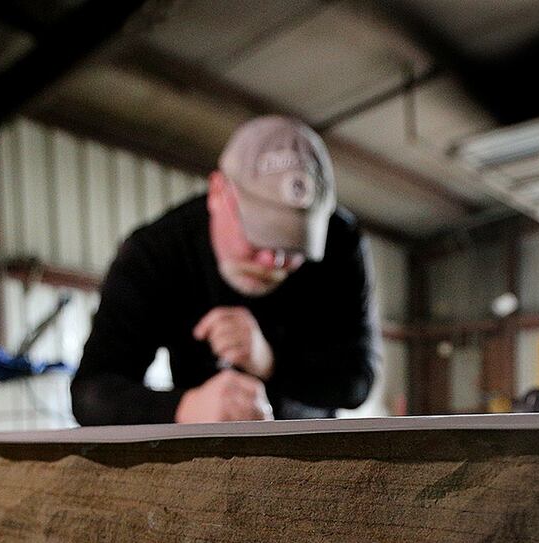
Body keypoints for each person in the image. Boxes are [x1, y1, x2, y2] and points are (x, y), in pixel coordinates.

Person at [70, 116, 380, 425]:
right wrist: (185, 408)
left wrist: (271, 361)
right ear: (219, 191)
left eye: (294, 248)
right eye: (260, 235)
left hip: (314, 443)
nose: (272, 262)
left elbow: (358, 381)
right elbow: (90, 393)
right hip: (203, 447)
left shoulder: (341, 243)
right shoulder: (156, 252)